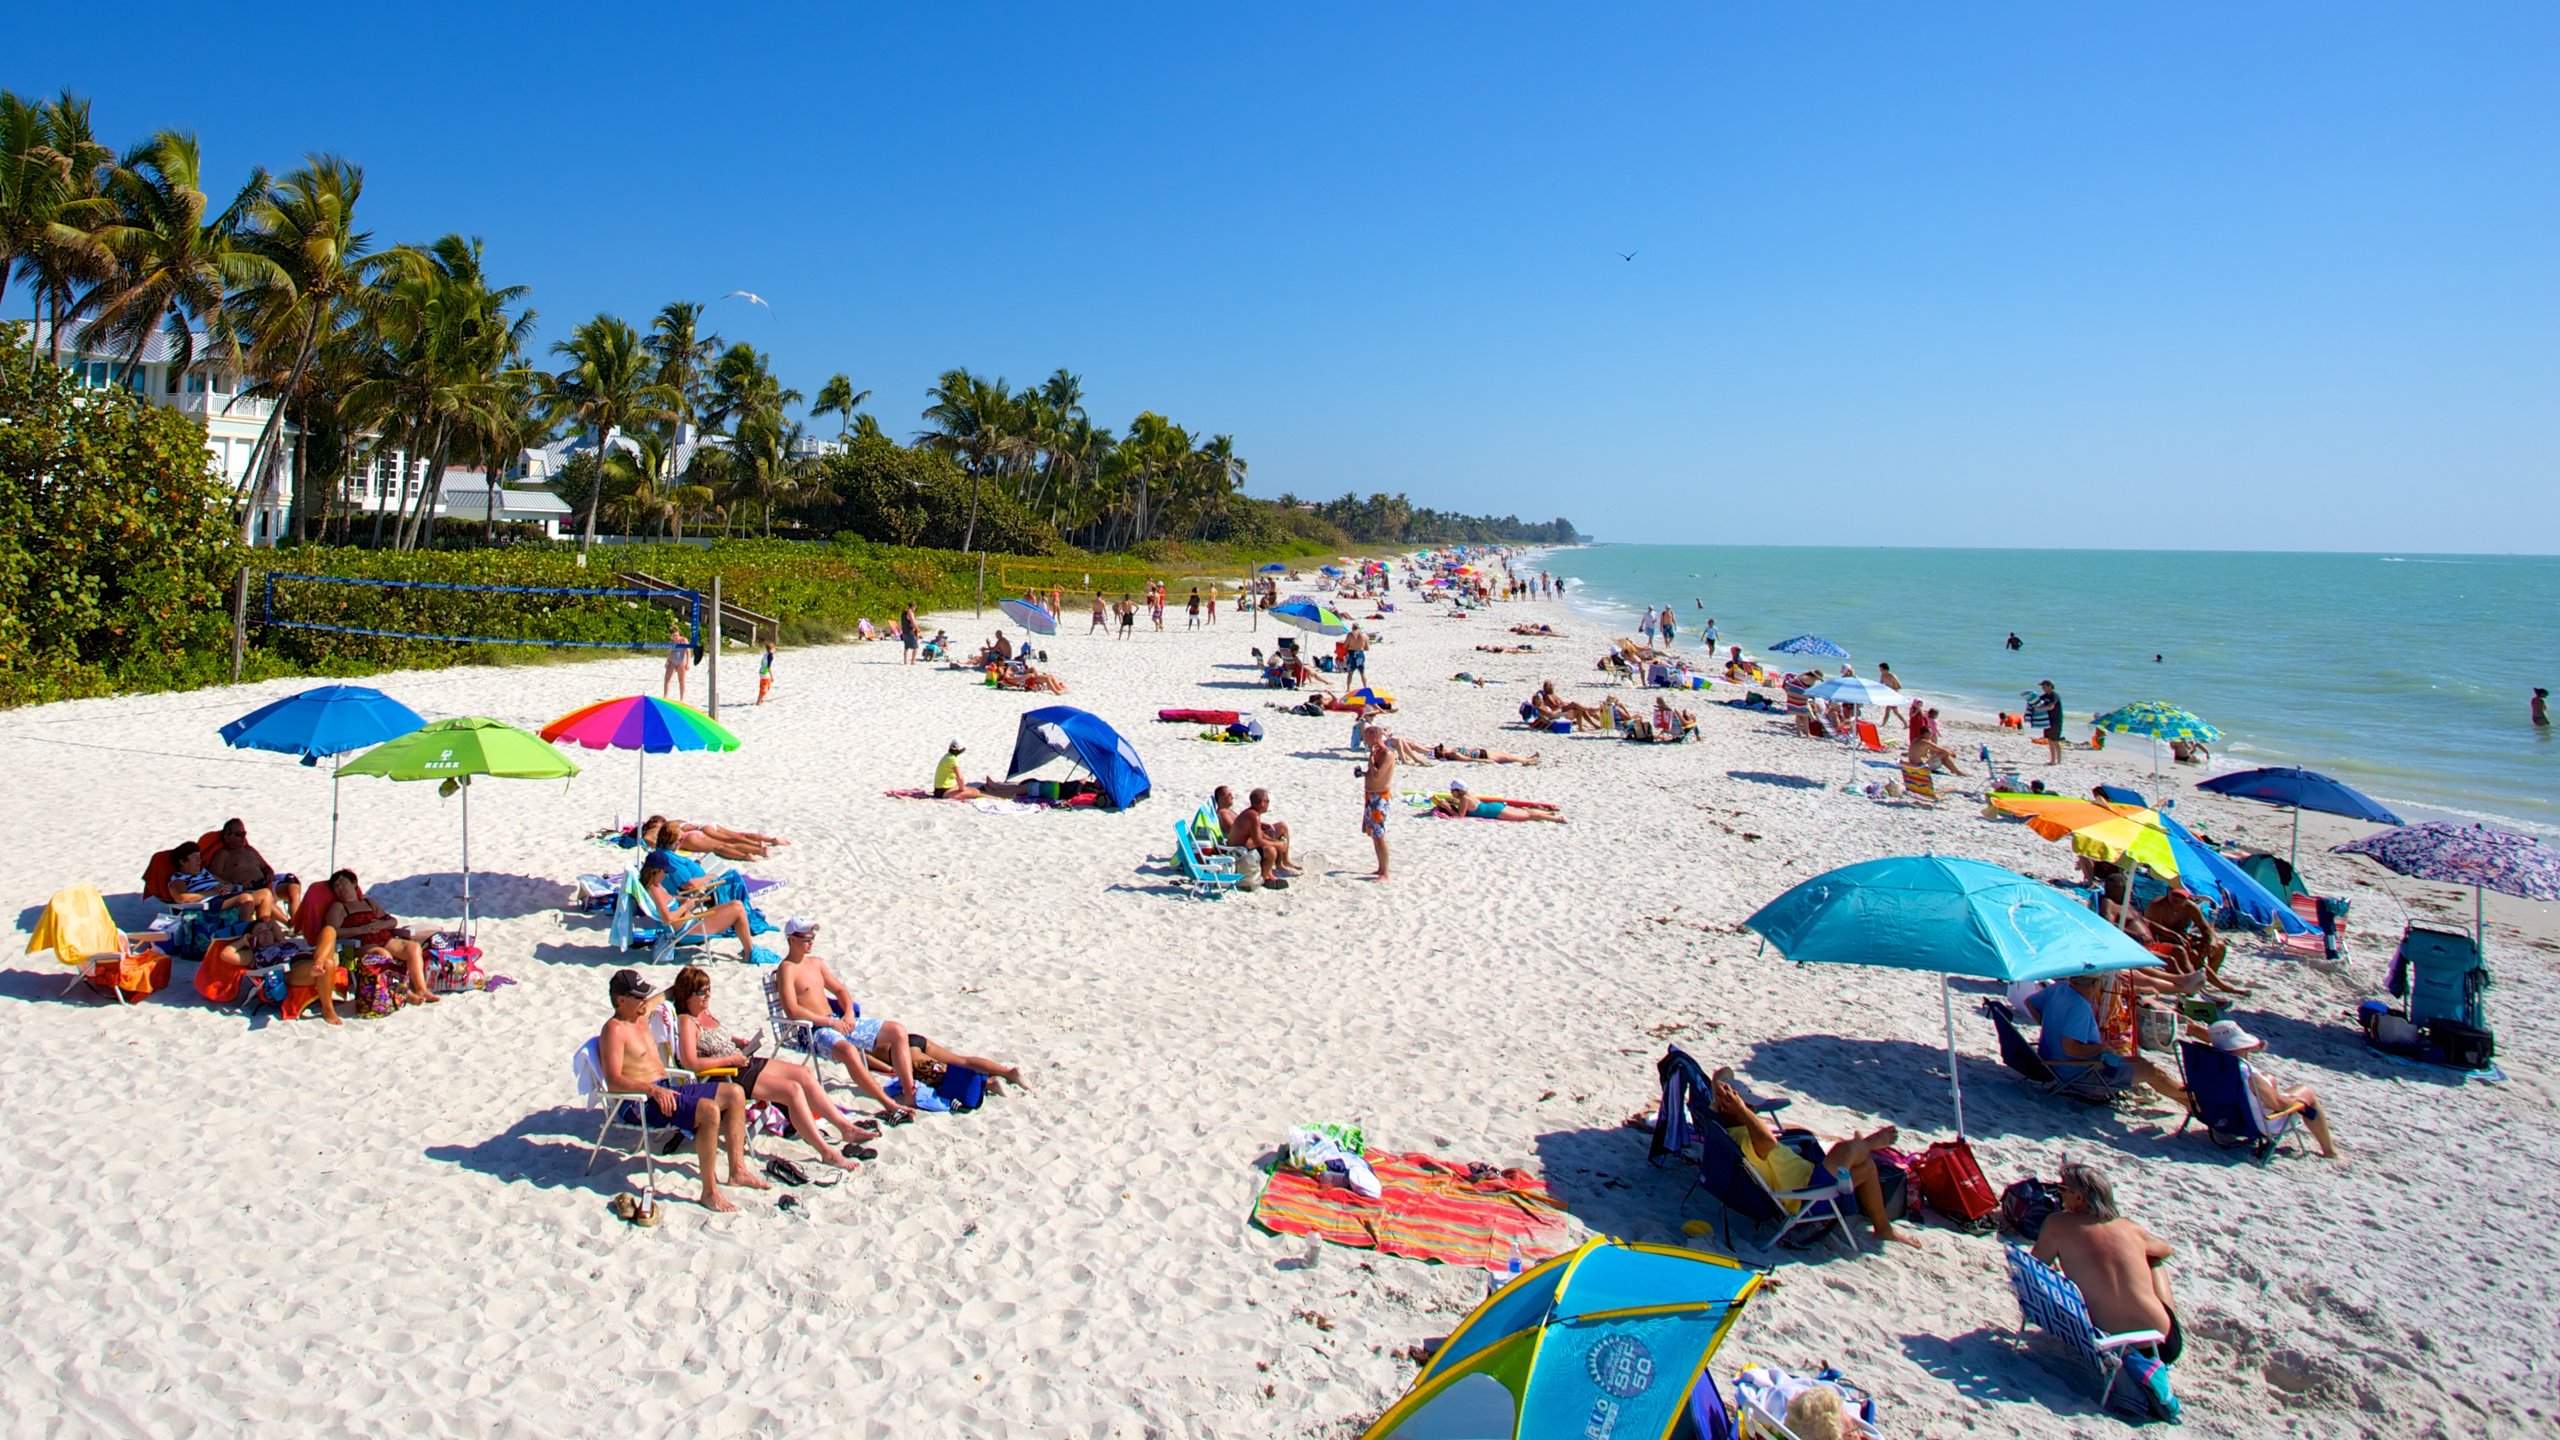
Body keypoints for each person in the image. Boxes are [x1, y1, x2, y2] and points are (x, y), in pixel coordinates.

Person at [773, 919, 1021, 1121]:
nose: (811, 943)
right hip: (814, 1030)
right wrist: (831, 1023)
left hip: (838, 1020)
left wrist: (847, 1013)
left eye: (813, 938)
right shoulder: (786, 969)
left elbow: (840, 991)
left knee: (897, 1030)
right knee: (849, 1051)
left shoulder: (816, 963)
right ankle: (888, 1103)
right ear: (791, 939)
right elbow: (792, 1010)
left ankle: (909, 1091)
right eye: (806, 939)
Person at [665, 964, 879, 1171]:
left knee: (803, 1073)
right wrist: (730, 1060)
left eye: (709, 989)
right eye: (702, 991)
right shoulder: (687, 1021)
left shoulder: (704, 1013)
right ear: (687, 996)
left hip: (742, 1061)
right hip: (726, 1075)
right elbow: (692, 1063)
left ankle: (846, 1128)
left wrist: (737, 1041)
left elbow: (712, 1039)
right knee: (791, 1090)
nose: (708, 995)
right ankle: (827, 1153)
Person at [597, 968, 767, 1212]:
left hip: (664, 1089)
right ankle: (709, 1192)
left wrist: (686, 983)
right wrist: (652, 1091)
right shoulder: (614, 1030)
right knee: (708, 1111)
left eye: (646, 995)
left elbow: (666, 994)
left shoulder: (640, 1015)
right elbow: (613, 1081)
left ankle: (737, 1170)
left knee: (735, 1093)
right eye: (639, 996)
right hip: (638, 1102)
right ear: (620, 1000)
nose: (645, 1000)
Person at [1707, 1068, 1918, 1249]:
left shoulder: (1728, 1126)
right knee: (1845, 1150)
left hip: (1808, 1177)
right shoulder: (1745, 1137)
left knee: (1867, 1166)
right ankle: (1871, 1143)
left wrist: (1722, 1091)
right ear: (1734, 1109)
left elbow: (1723, 1072)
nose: (1754, 1110)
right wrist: (1742, 1110)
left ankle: (1884, 1229)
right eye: (1750, 1107)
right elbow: (1766, 1141)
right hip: (1805, 1194)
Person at [2031, 1160, 2181, 1369]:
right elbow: (2167, 1250)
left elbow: (2035, 1268)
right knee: (2153, 1258)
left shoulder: (2057, 1224)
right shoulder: (2130, 1228)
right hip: (2161, 1346)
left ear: (2079, 1197)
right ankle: (2166, 1314)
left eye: (2062, 1188)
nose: (2058, 1193)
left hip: (2109, 1343)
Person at [2036, 973, 2187, 1106]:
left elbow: (2030, 1003)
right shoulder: (2079, 1007)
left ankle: (2191, 1105)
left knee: (2142, 1063)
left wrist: (2051, 1026)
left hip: (2054, 1063)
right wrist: (2101, 1048)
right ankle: (2193, 1099)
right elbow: (2071, 1049)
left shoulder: (2058, 988)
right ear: (2096, 984)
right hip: (2081, 1074)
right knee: (2153, 1072)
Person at [2202, 1020, 2341, 1158]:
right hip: (2259, 1124)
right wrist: (2298, 1100)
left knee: (2269, 1077)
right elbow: (2278, 1105)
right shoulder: (2248, 1075)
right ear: (2244, 1047)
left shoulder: (2208, 1063)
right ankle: (2330, 1151)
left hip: (2224, 1117)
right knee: (2305, 1092)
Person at [318, 869, 435, 1005]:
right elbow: (331, 932)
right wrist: (360, 929)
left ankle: (421, 989)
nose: (340, 889)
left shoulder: (369, 903)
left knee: (413, 948)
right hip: (361, 945)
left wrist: (381, 924)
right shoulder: (338, 907)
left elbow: (392, 921)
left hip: (384, 939)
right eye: (336, 887)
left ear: (354, 883)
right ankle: (404, 992)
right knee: (382, 954)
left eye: (343, 883)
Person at [642, 848, 759, 958]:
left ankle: (749, 949)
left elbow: (668, 900)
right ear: (655, 871)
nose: (666, 874)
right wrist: (685, 907)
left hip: (690, 923)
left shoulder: (654, 886)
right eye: (665, 871)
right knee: (737, 907)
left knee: (735, 905)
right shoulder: (654, 890)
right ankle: (749, 953)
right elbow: (667, 919)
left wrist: (682, 900)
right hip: (688, 930)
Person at [2143, 882, 2246, 996]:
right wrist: (2177, 937)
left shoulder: (2191, 907)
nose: (2177, 898)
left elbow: (2205, 927)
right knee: (2188, 953)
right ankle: (2203, 984)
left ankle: (2207, 978)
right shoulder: (2157, 906)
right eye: (2175, 894)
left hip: (2183, 939)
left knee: (2219, 947)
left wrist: (2210, 942)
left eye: (2181, 896)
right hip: (2160, 942)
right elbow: (2150, 931)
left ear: (2188, 897)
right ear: (2168, 892)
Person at [1225, 787, 1300, 887]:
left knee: (1280, 829)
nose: (1268, 804)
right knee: (1271, 850)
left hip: (1243, 848)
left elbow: (1258, 835)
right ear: (1262, 803)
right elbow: (1258, 841)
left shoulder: (1252, 813)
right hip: (1239, 852)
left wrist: (1273, 840)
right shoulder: (1253, 816)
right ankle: (1264, 878)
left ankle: (1281, 864)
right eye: (1267, 801)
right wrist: (1277, 844)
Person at [1431, 779, 1567, 822]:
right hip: (1494, 806)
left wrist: (1448, 808)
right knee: (1523, 811)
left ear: (1457, 791)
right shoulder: (1467, 795)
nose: (1450, 792)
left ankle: (1557, 819)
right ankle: (1549, 814)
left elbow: (1460, 816)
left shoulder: (1464, 798)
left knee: (1526, 816)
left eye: (1452, 790)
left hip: (1494, 812)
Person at [1362, 726, 1395, 881]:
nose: (1365, 741)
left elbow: (1377, 776)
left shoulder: (1387, 754)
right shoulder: (1377, 753)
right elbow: (1371, 774)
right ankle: (1380, 868)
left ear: (1375, 736)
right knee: (1374, 835)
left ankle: (1385, 872)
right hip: (1370, 796)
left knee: (1379, 834)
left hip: (1380, 798)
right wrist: (1363, 773)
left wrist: (1370, 758)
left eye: (1366, 737)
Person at [2026, 680, 2064, 765]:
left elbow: (2051, 706)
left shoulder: (2054, 695)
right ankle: (2052, 760)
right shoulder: (2046, 696)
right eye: (2042, 687)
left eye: (2044, 687)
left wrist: (2040, 709)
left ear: (2050, 686)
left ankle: (2059, 760)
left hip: (2056, 720)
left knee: (2055, 741)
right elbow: (2037, 700)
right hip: (2047, 720)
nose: (2043, 689)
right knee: (2050, 740)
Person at [1430, 742, 1540, 765]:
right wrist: (1486, 761)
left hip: (1483, 752)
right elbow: (1469, 760)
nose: (1446, 747)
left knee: (1507, 755)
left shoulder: (1452, 752)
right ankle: (1528, 761)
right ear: (1444, 752)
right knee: (1508, 757)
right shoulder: (1455, 755)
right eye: (1443, 748)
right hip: (1484, 755)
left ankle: (1527, 758)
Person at [663, 617, 691, 700]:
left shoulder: (683, 640)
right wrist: (667, 662)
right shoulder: (671, 642)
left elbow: (688, 652)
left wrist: (688, 663)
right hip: (672, 660)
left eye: (677, 635)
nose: (676, 637)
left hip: (681, 661)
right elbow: (669, 652)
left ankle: (682, 698)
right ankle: (665, 696)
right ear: (671, 636)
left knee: (681, 680)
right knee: (667, 679)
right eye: (674, 636)